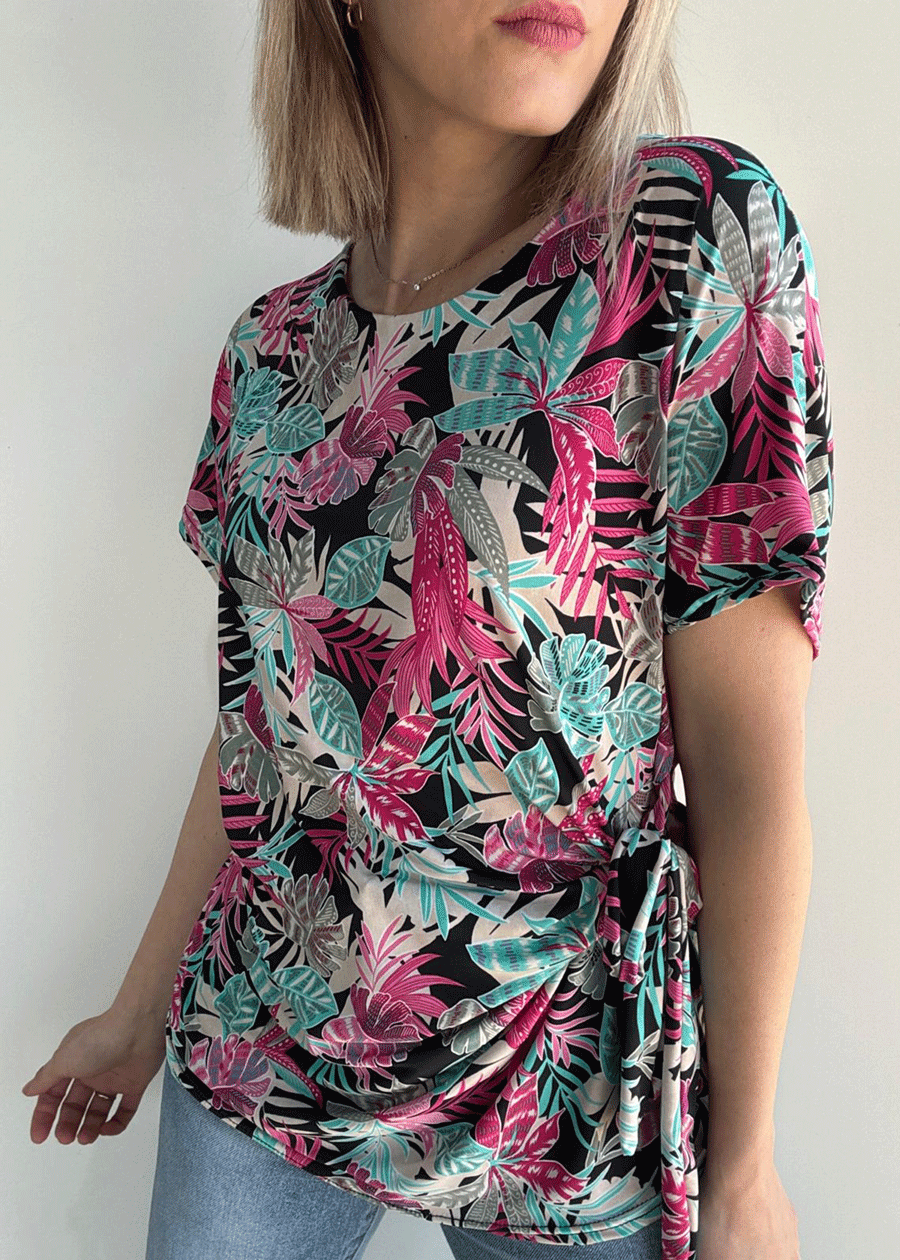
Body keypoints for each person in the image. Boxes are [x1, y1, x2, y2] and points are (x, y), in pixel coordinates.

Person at [21, 3, 833, 1259]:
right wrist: (136, 1013)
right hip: (262, 1039)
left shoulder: (680, 245)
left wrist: (745, 1171)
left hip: (562, 1093)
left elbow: (751, 780)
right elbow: (265, 742)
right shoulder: (272, 355)